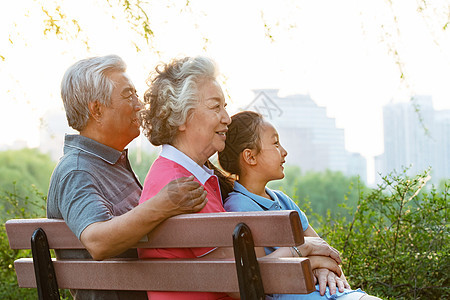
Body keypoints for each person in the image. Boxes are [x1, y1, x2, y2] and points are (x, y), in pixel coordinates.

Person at [138, 56, 344, 300]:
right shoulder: (182, 187)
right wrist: (305, 249)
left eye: (224, 106)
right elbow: (239, 284)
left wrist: (315, 260)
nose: (227, 118)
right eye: (216, 107)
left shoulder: (181, 175)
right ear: (182, 117)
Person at [47, 55, 208, 300]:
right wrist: (163, 204)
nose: (139, 105)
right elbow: (97, 240)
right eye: (128, 95)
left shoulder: (108, 163)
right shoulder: (77, 170)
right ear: (97, 110)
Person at [218, 111, 381, 300]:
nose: (284, 151)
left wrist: (325, 269)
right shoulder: (239, 207)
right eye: (275, 143)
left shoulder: (282, 200)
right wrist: (312, 260)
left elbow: (325, 251)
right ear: (250, 157)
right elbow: (260, 275)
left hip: (325, 292)